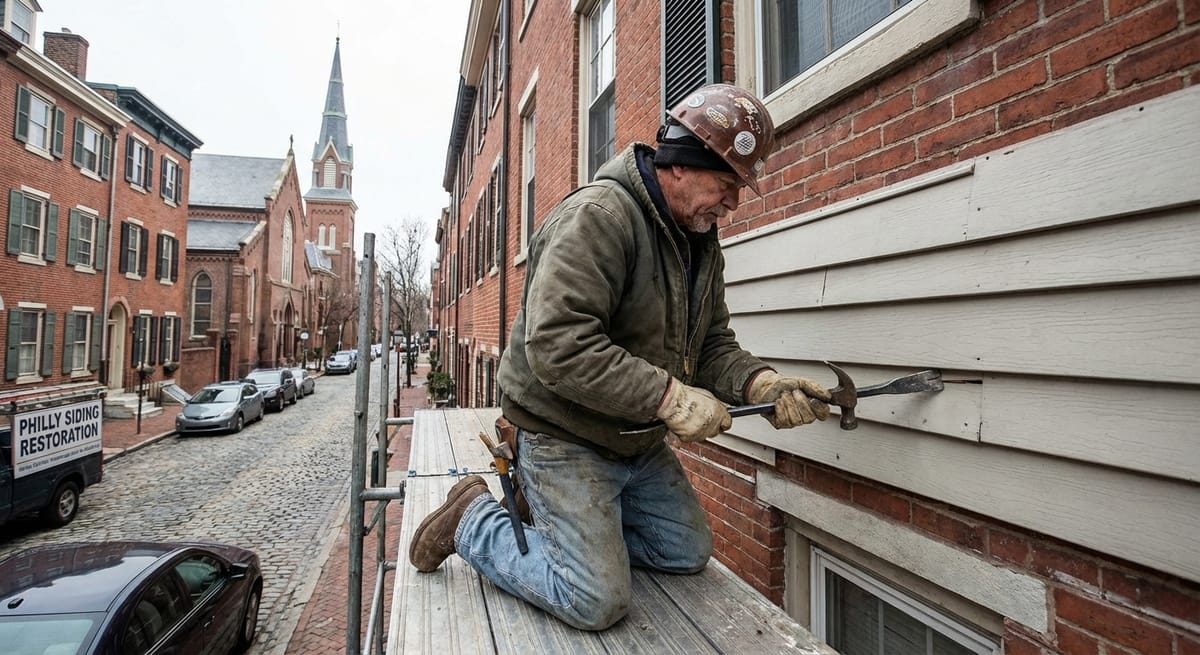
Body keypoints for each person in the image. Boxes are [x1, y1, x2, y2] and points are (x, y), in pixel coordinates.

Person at [408, 83, 832, 630]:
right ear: (680, 163)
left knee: (686, 552)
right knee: (596, 600)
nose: (734, 201)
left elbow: (711, 345)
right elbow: (558, 345)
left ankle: (565, 529)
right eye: (727, 182)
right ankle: (471, 517)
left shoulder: (699, 240)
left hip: (633, 441)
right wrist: (667, 397)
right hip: (563, 436)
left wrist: (762, 385)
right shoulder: (600, 219)